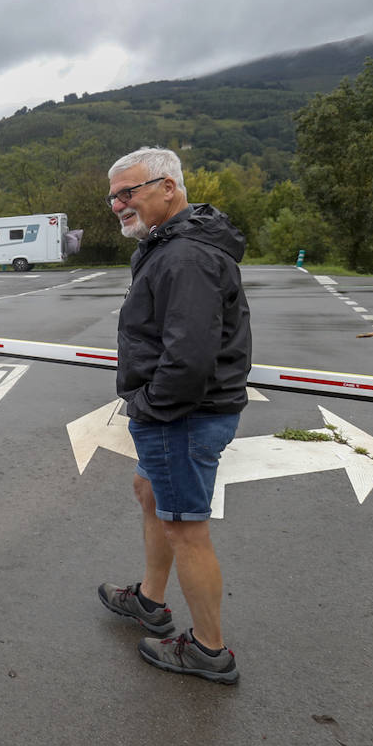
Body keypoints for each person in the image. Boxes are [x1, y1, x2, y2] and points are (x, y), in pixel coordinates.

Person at [97, 147, 252, 685]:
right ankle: (150, 599)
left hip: (182, 415)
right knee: (150, 493)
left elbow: (189, 356)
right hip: (180, 412)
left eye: (129, 192)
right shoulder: (167, 245)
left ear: (168, 188)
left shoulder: (184, 256)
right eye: (114, 195)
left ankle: (210, 650)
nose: (119, 204)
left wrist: (147, 406)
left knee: (185, 527)